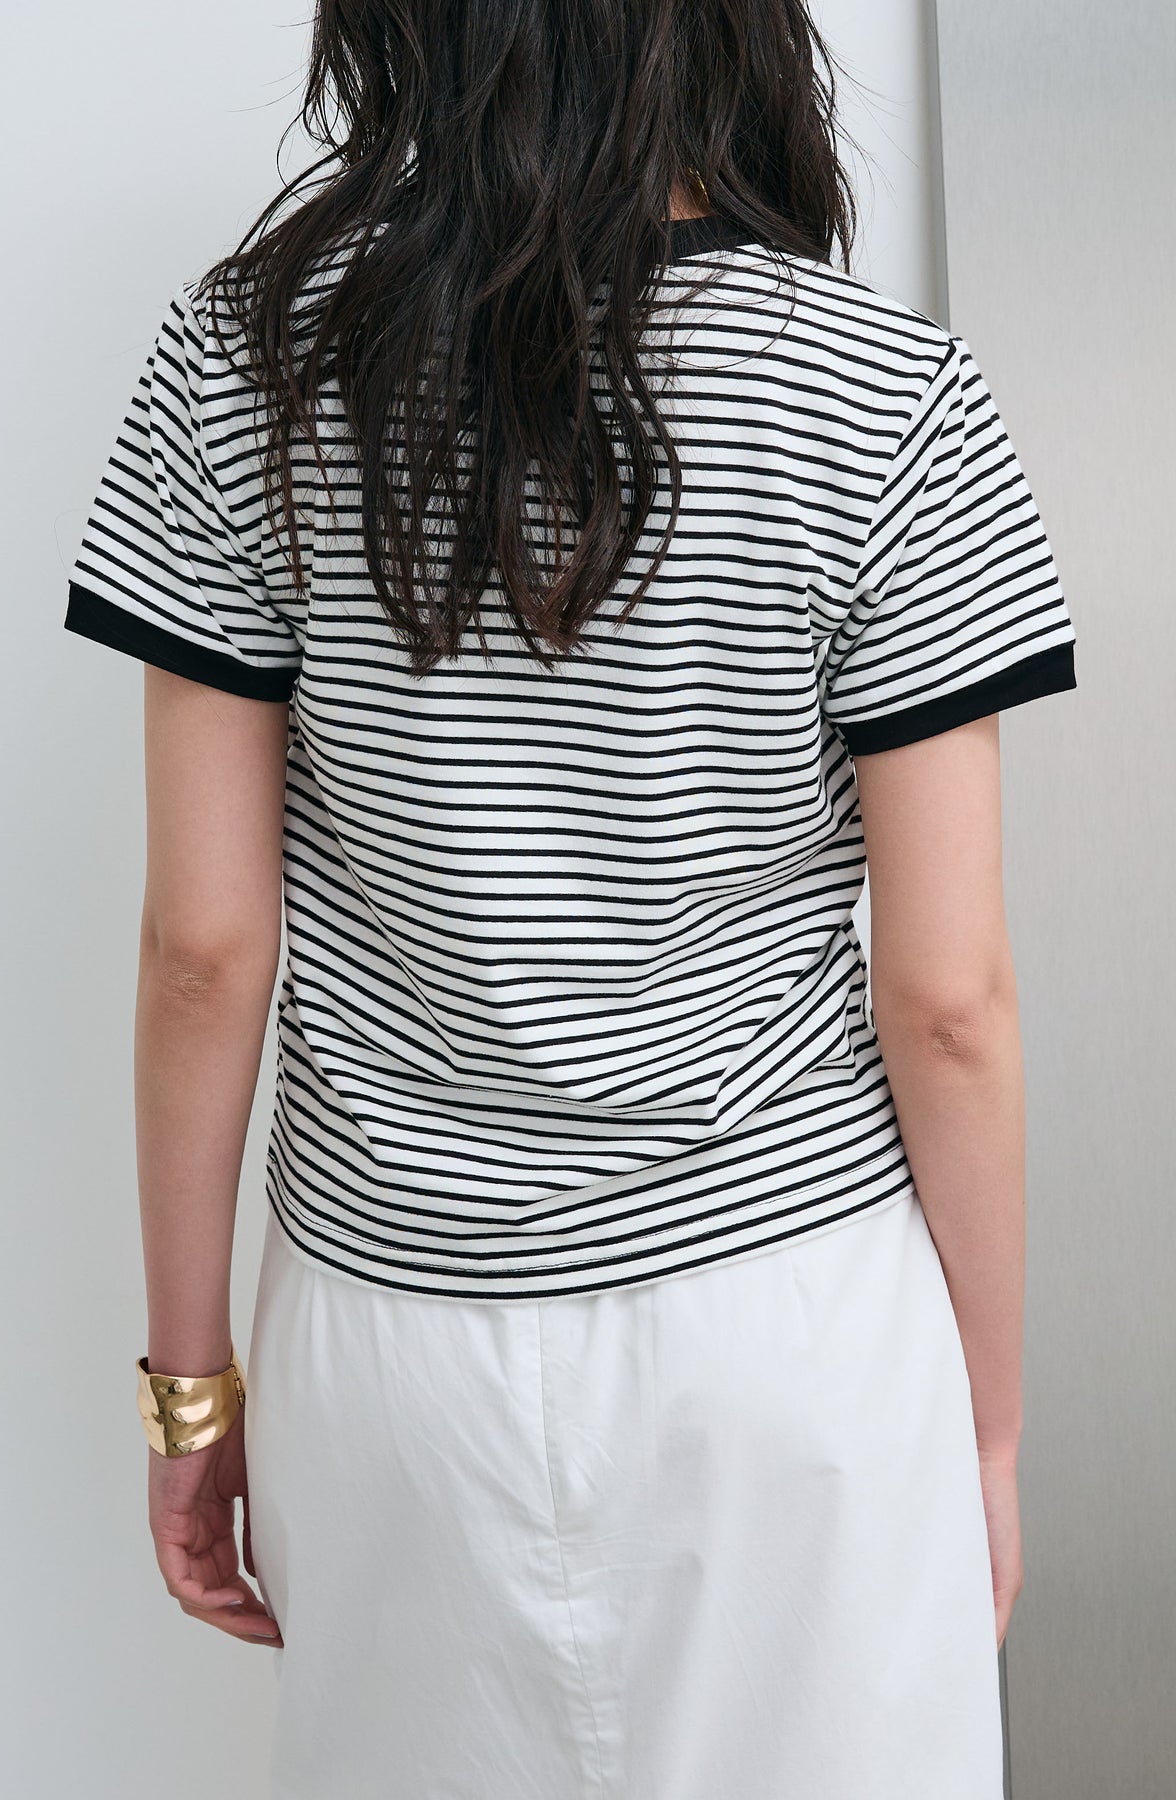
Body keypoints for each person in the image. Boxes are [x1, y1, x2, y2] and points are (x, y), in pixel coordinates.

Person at [65, 3, 1077, 1795]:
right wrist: (983, 1428)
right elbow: (949, 1004)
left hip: (389, 1329)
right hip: (788, 1309)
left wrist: (191, 1397)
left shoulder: (245, 360)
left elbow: (206, 950)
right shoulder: (887, 391)